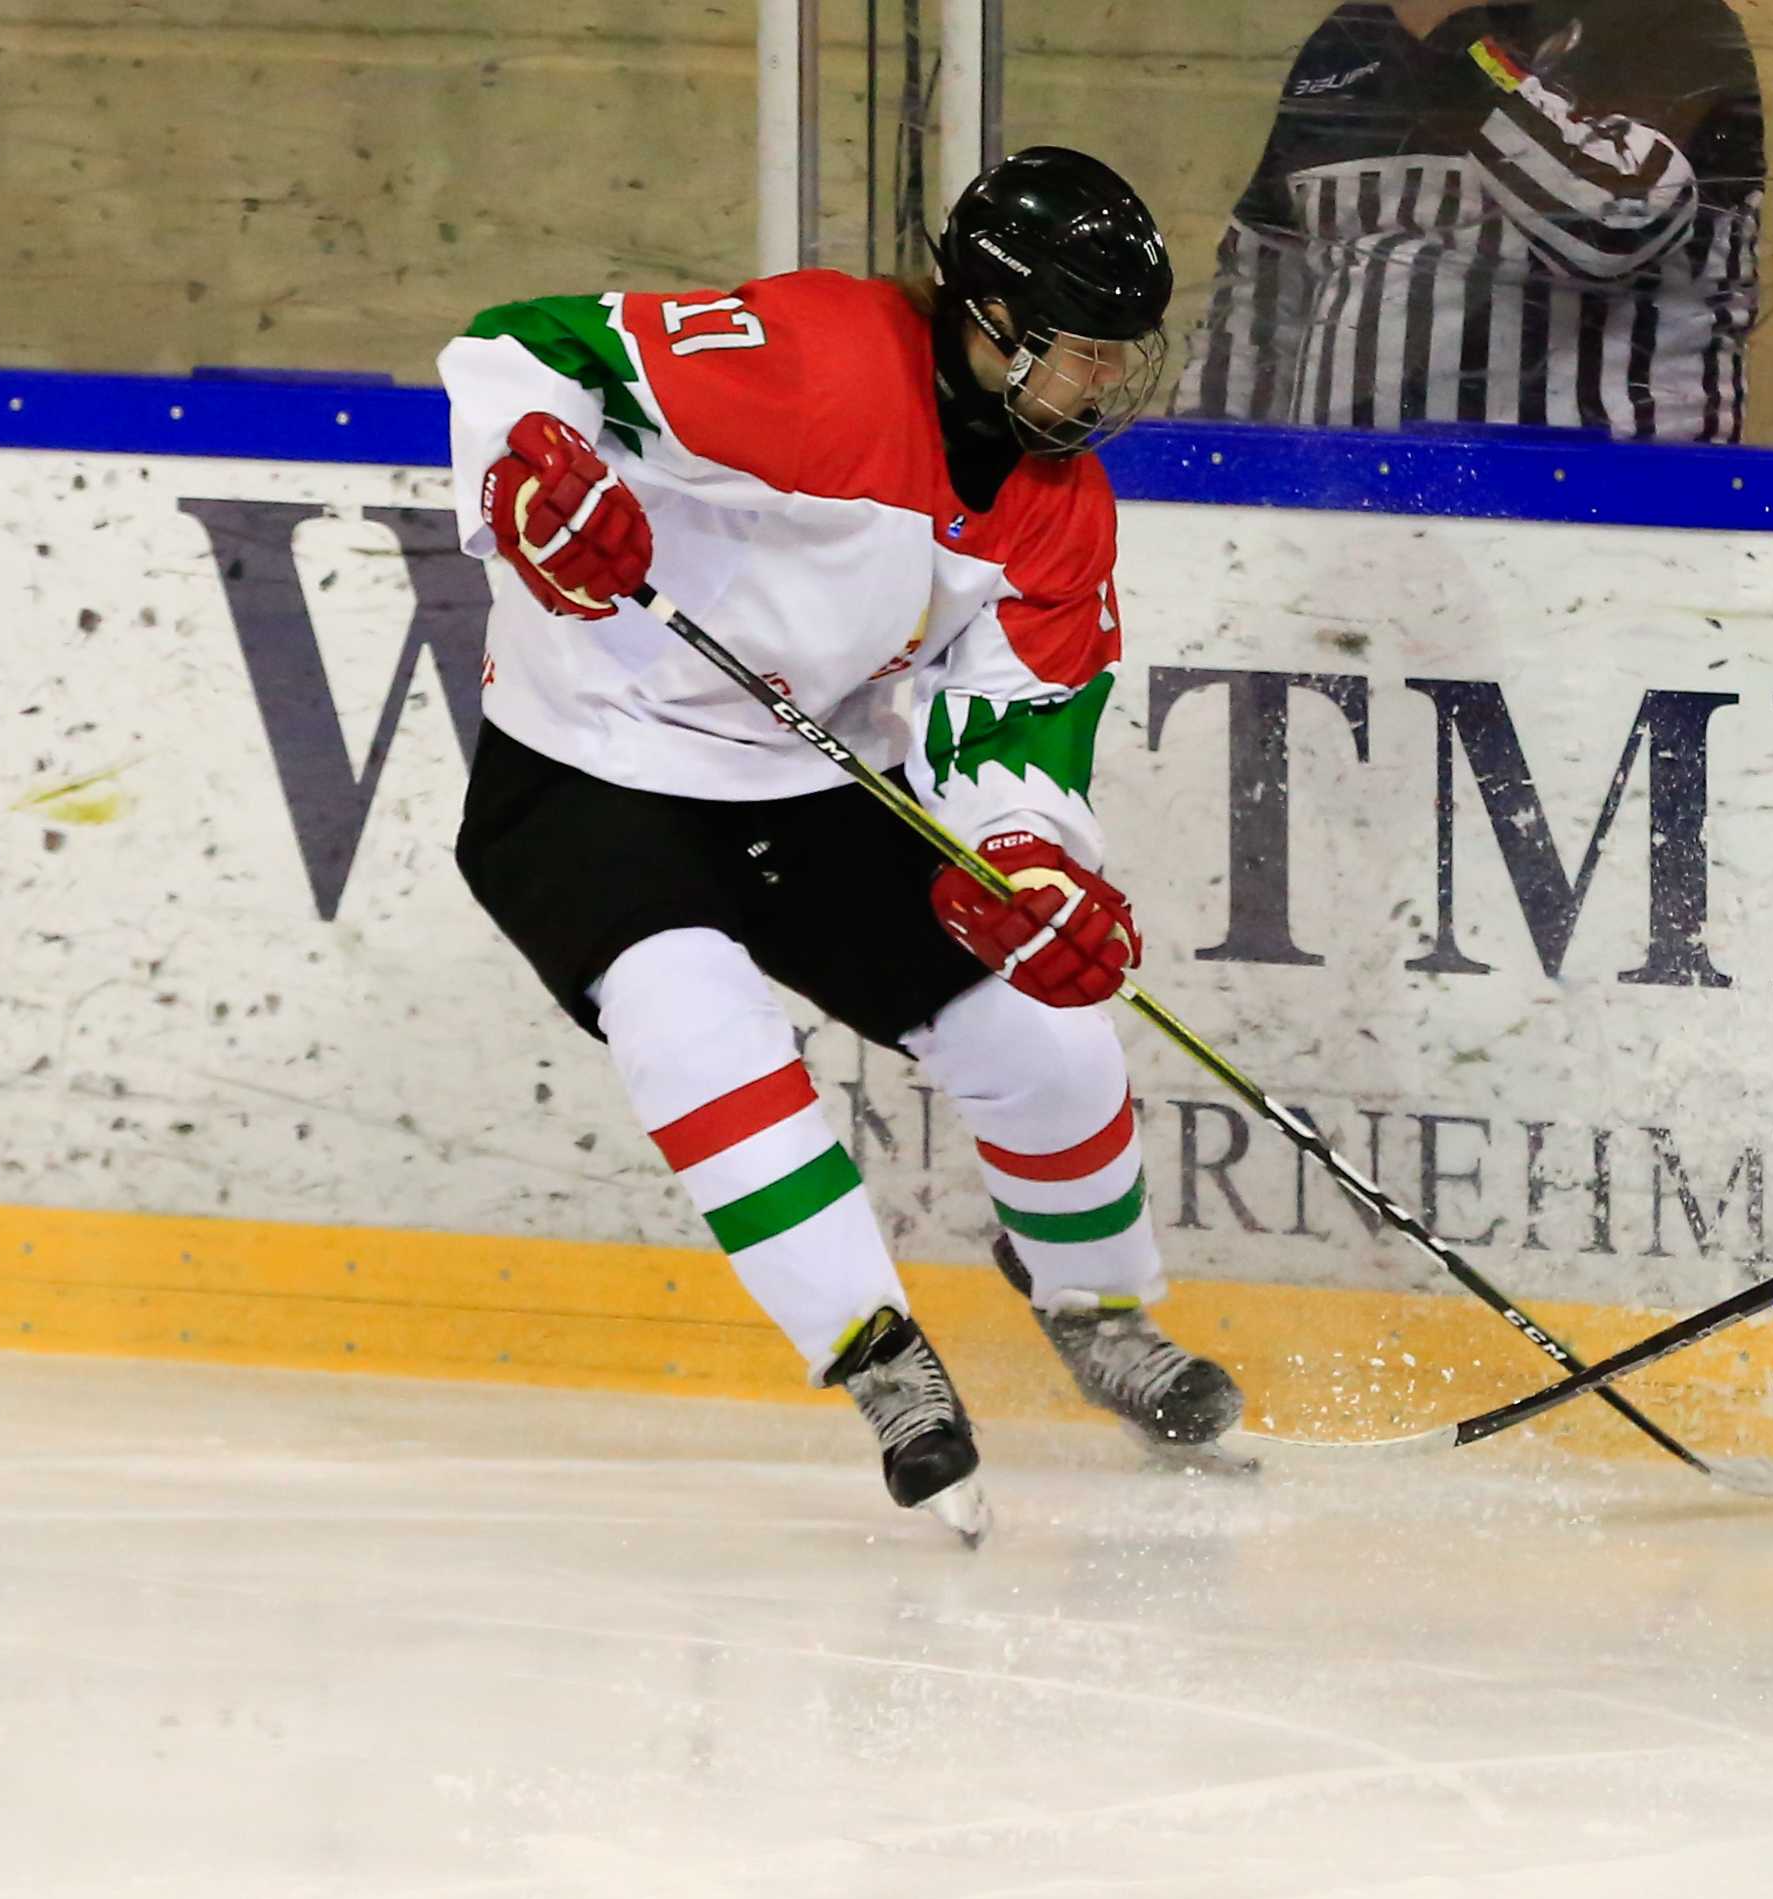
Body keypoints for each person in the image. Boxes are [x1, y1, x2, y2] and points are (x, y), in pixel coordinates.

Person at [438, 148, 1242, 1545]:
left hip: (822, 776)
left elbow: (1016, 723)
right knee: (695, 1024)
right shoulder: (813, 362)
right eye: (1080, 349)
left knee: (1045, 1036)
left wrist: (1027, 863)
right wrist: (530, 470)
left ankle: (1099, 1309)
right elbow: (523, 348)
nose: (1107, 382)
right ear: (988, 321)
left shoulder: (1060, 508)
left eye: (1124, 353)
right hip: (592, 766)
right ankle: (879, 1357)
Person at [1173, 0, 1764, 440]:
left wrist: (1457, 40)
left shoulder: (1670, 20)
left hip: (1609, 524)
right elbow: (1254, 300)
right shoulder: (1347, 39)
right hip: (1343, 514)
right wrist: (1199, 481)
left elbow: (1616, 224)